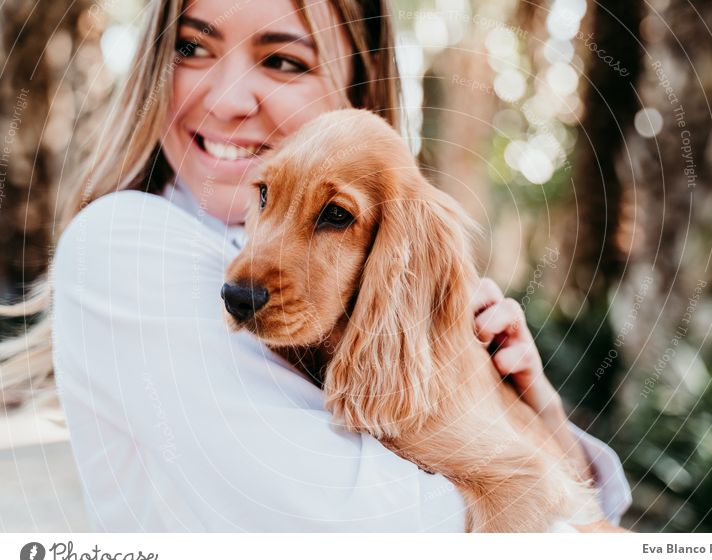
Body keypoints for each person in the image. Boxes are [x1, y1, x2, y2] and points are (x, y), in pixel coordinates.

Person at [2, 0, 631, 531]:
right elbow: (358, 528)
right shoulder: (125, 244)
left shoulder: (392, 243)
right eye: (193, 47)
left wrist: (539, 417)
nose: (226, 100)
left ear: (357, 83)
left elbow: (547, 495)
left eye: (283, 61)